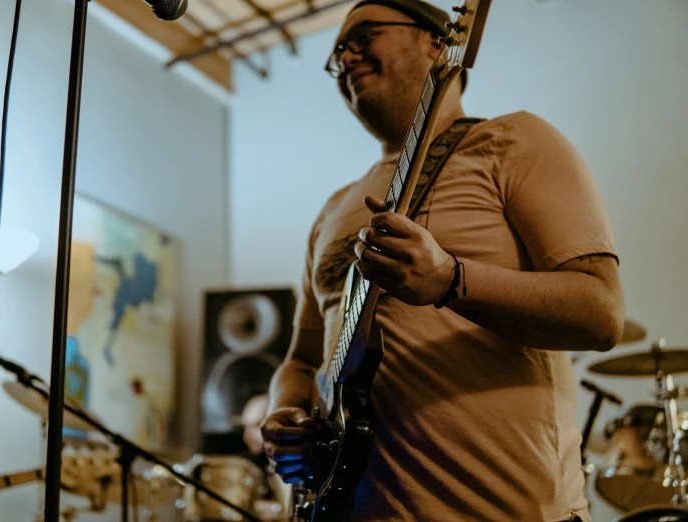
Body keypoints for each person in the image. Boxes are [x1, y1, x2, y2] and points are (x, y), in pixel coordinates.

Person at [260, 0, 625, 521]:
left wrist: (450, 281)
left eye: (364, 35)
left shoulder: (513, 140)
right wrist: (283, 413)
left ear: (438, 42)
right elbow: (300, 360)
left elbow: (602, 311)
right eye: (338, 50)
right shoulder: (331, 210)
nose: (345, 56)